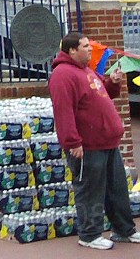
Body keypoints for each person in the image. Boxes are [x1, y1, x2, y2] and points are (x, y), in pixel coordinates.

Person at [49, 31, 140, 250]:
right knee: (90, 191)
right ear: (72, 50)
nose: (90, 49)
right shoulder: (63, 75)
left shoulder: (86, 70)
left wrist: (114, 82)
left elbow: (104, 94)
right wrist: (72, 142)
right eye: (85, 46)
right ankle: (89, 235)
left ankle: (123, 230)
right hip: (88, 146)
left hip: (108, 143)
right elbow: (64, 112)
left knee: (116, 190)